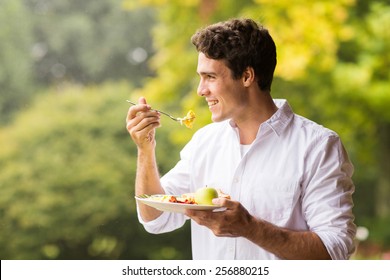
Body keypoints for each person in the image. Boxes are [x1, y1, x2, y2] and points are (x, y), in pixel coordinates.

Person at [126, 18, 356, 260]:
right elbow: (155, 217)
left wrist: (251, 228)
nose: (200, 90)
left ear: (247, 76)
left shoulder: (318, 146)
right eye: (200, 77)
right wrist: (145, 148)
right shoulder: (204, 142)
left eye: (210, 77)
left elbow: (334, 250)